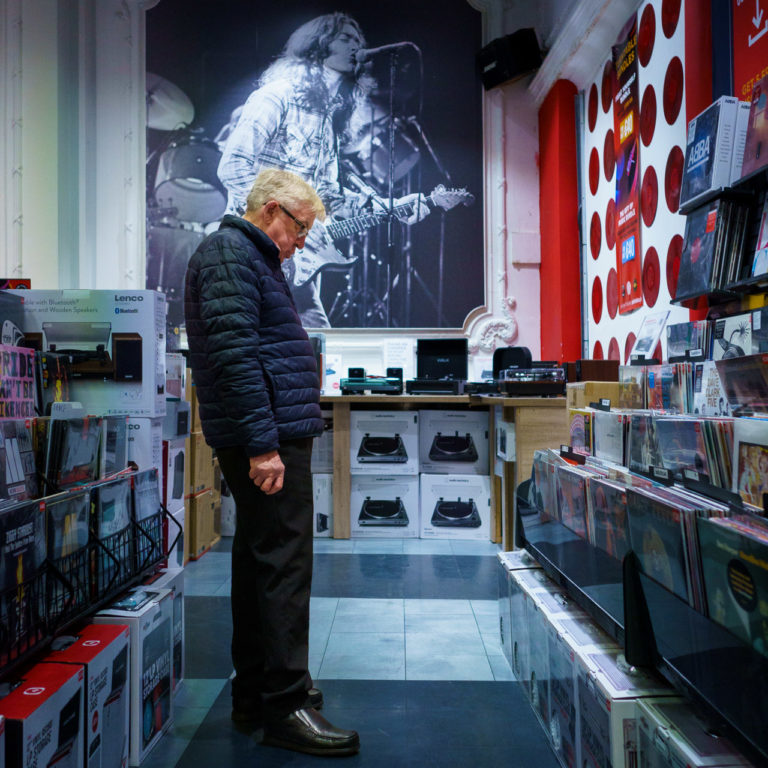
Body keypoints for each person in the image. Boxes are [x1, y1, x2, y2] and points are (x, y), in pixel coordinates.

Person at [184, 167, 359, 756]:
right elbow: (235, 357)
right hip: (266, 439)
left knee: (261, 560)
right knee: (283, 565)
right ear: (273, 211)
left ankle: (258, 691)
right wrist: (263, 446)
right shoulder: (232, 255)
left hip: (269, 434)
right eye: (301, 227)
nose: (303, 240)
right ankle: (284, 705)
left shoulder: (247, 257)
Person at [217, 11, 428, 328]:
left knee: (317, 347)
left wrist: (389, 205)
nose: (355, 46)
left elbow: (328, 196)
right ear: (317, 45)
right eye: (345, 38)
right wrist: (284, 221)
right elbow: (233, 167)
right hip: (251, 254)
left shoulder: (328, 121)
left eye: (358, 40)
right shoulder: (276, 97)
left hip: (294, 266)